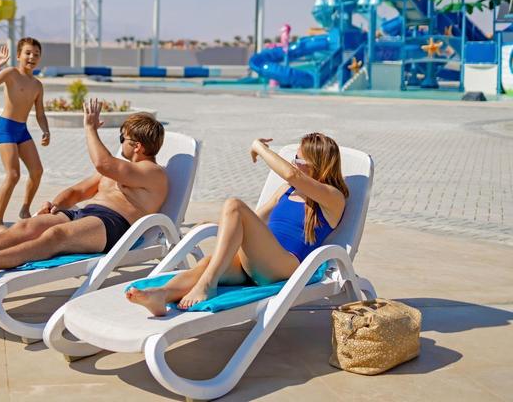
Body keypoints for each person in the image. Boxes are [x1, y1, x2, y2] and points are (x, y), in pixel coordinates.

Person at [0, 100, 168, 278]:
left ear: (137, 146)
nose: (120, 143)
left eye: (121, 138)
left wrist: (90, 129)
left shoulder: (153, 173)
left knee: (55, 237)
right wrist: (56, 204)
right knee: (27, 226)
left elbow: (102, 162)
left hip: (113, 225)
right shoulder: (120, 169)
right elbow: (78, 191)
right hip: (85, 214)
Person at [126, 132, 348, 316]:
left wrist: (259, 148)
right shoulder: (287, 191)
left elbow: (291, 175)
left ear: (318, 164)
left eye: (298, 159)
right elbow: (253, 219)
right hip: (258, 262)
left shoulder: (332, 197)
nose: (293, 164)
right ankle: (161, 295)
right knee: (208, 264)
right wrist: (215, 223)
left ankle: (207, 285)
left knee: (234, 204)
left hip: (286, 265)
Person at [0, 39, 50, 233]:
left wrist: (45, 130)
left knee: (37, 171)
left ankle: (25, 210)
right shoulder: (11, 73)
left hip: (22, 130)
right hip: (6, 128)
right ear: (19, 55)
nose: (32, 57)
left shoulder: (37, 85)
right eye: (28, 53)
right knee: (13, 174)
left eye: (36, 54)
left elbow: (40, 113)